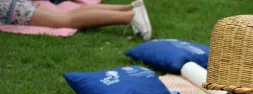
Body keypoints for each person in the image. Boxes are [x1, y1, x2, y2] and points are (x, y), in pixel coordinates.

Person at [0, 0, 152, 40]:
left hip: (6, 7)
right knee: (70, 14)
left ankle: (130, 16)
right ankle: (130, 8)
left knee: (65, 19)